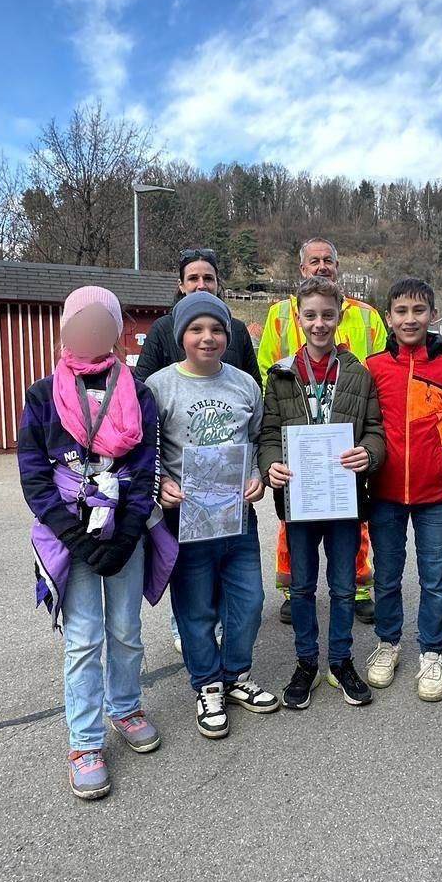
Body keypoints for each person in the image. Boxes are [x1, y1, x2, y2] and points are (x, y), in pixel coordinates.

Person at [18, 285, 177, 802]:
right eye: (78, 322)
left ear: (116, 330)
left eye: (100, 322)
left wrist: (129, 531)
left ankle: (125, 706)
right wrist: (75, 539)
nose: (89, 331)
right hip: (71, 534)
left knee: (126, 630)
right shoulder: (42, 396)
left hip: (125, 527)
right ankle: (84, 742)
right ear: (64, 328)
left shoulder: (138, 391)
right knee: (83, 637)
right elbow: (35, 477)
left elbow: (146, 464)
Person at [147, 290, 278, 739]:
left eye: (217, 329)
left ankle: (235, 675)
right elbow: (147, 451)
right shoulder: (159, 387)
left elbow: (262, 437)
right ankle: (207, 685)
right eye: (197, 329)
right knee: (196, 607)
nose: (208, 338)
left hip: (238, 514)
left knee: (250, 602)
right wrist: (159, 484)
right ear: (181, 334)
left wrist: (259, 474)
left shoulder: (243, 384)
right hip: (186, 519)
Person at [259, 278, 387, 710]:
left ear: (339, 317)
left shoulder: (357, 372)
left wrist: (368, 454)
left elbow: (375, 431)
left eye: (327, 315)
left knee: (343, 585)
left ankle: (341, 659)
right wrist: (270, 465)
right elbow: (269, 433)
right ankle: (306, 662)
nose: (319, 324)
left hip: (344, 497)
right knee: (301, 586)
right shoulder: (280, 373)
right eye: (310, 315)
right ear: (297, 318)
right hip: (299, 498)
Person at [363, 277, 442, 702]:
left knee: (436, 580)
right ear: (388, 317)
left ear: (432, 315)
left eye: (418, 311)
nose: (410, 319)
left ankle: (431, 651)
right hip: (384, 492)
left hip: (435, 496)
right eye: (401, 311)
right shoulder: (371, 367)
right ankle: (388, 643)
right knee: (385, 578)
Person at [135, 247, 262, 387]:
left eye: (208, 278)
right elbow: (142, 385)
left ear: (217, 284)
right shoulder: (162, 328)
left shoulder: (237, 329)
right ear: (181, 285)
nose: (201, 285)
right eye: (193, 278)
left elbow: (253, 384)